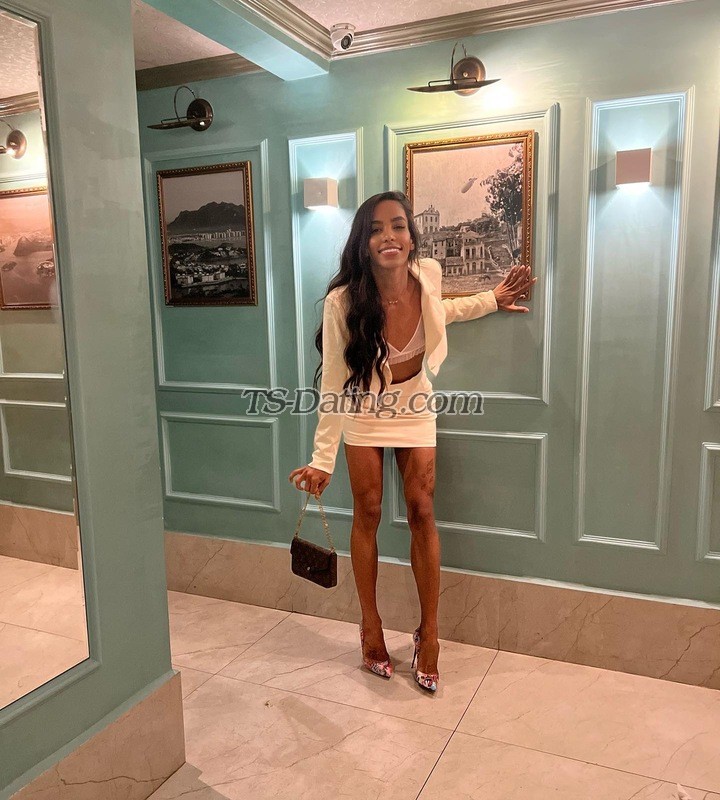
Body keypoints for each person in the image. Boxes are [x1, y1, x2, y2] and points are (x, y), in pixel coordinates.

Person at [289, 190, 536, 693]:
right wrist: (322, 459)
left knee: (422, 509)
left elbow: (441, 312)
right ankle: (371, 626)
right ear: (362, 242)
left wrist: (491, 300)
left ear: (411, 235)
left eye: (398, 225)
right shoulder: (342, 302)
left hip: (415, 406)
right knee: (369, 511)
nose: (389, 236)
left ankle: (431, 633)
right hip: (364, 410)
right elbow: (333, 382)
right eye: (376, 228)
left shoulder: (429, 275)